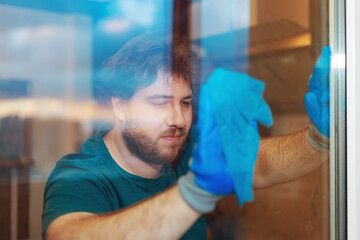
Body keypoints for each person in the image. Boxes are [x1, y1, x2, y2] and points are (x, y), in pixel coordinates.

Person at [42, 32, 330, 240]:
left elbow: (260, 164)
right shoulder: (80, 174)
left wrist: (318, 139)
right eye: (159, 103)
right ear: (119, 106)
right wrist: (194, 193)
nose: (178, 120)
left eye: (185, 102)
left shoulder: (182, 146)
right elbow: (67, 234)